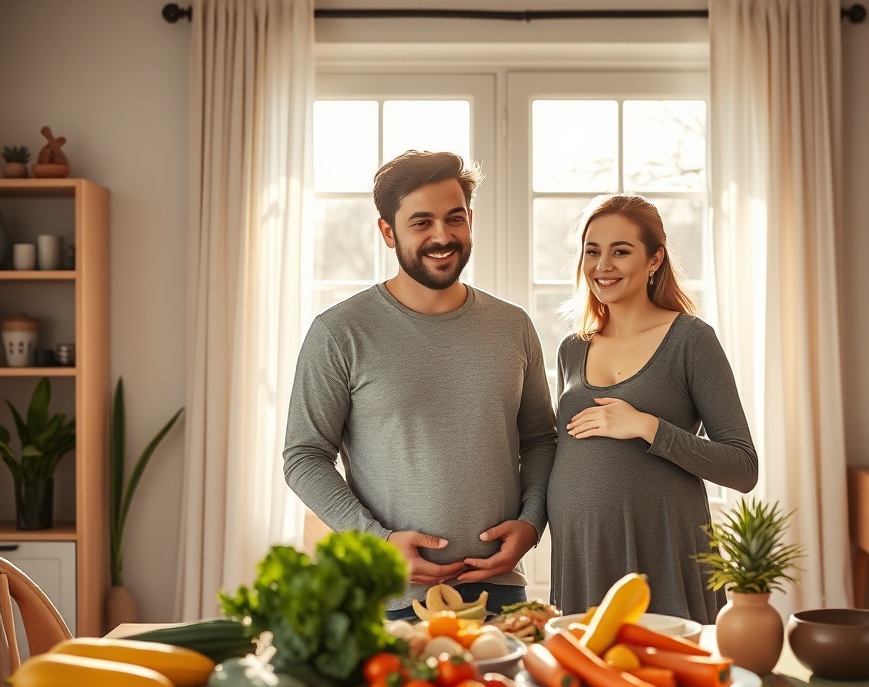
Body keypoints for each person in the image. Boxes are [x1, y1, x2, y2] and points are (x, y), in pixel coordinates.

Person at [283, 150, 557, 619]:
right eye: (421, 222)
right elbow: (304, 456)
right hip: (389, 599)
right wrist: (378, 541)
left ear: (470, 219)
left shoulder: (513, 326)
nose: (442, 236)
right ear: (388, 231)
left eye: (455, 218)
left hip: (500, 591)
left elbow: (540, 440)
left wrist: (532, 524)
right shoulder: (340, 332)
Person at [546, 193, 758, 623]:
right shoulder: (572, 348)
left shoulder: (691, 340)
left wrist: (647, 426)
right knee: (586, 662)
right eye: (592, 251)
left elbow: (743, 468)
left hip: (662, 543)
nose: (602, 266)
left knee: (670, 660)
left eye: (621, 251)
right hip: (582, 550)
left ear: (654, 260)